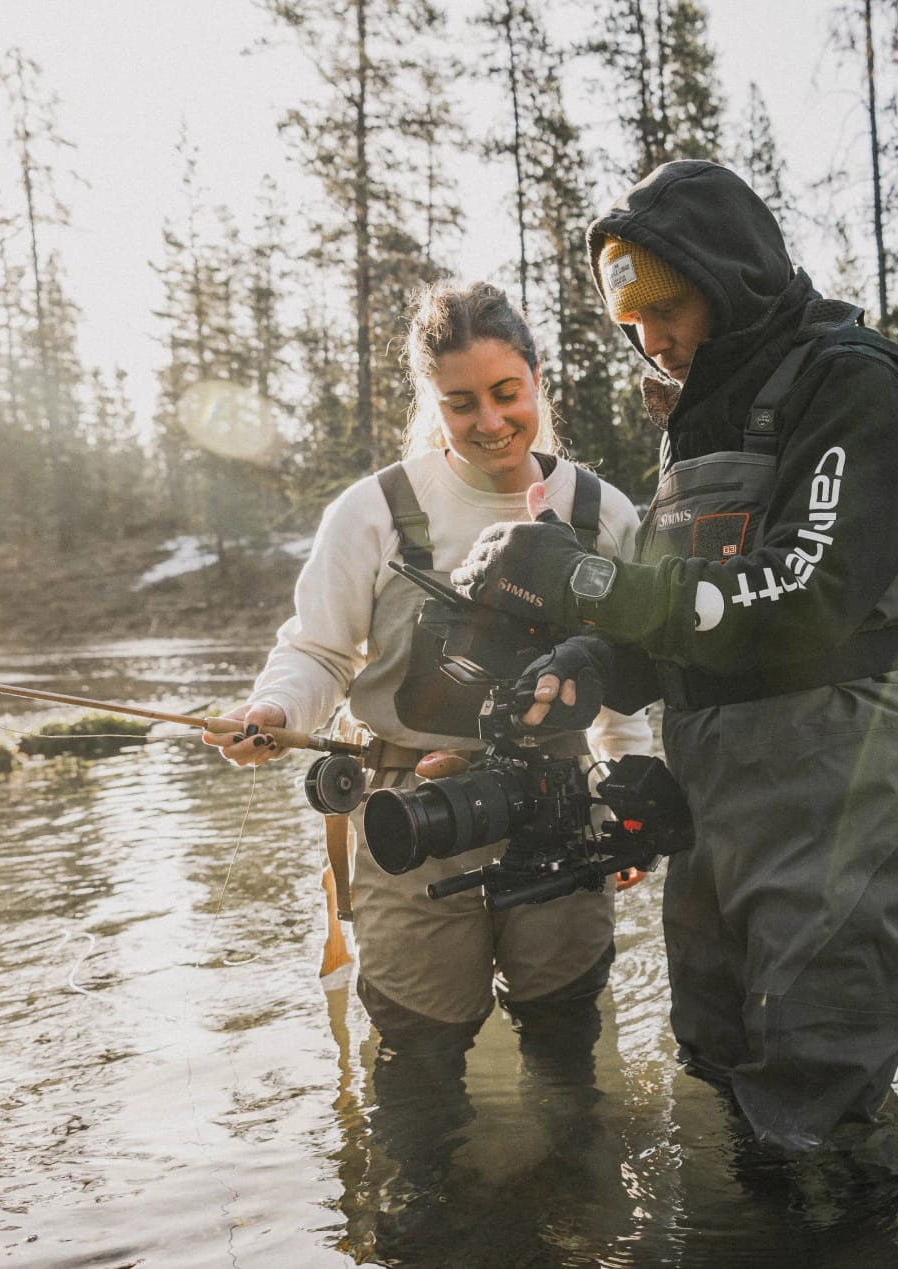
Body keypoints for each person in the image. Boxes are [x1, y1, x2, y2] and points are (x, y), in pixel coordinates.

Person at [454, 160, 898, 1155]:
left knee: (817, 1086)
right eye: (633, 324)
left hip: (851, 778)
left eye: (671, 307)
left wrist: (581, 581)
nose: (653, 340)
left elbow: (806, 596)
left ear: (732, 274)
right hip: (722, 795)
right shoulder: (700, 421)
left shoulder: (855, 385)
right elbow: (679, 614)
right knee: (716, 1052)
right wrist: (591, 663)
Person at [204, 280, 651, 1209]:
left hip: (559, 813)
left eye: (506, 392)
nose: (490, 420)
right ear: (430, 401)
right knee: (418, 1052)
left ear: (537, 380)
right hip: (410, 815)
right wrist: (275, 712)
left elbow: (627, 682)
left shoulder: (604, 512)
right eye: (460, 401)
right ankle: (427, 1217)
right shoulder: (372, 512)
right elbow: (317, 652)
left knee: (566, 1031)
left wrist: (628, 795)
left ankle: (578, 1209)